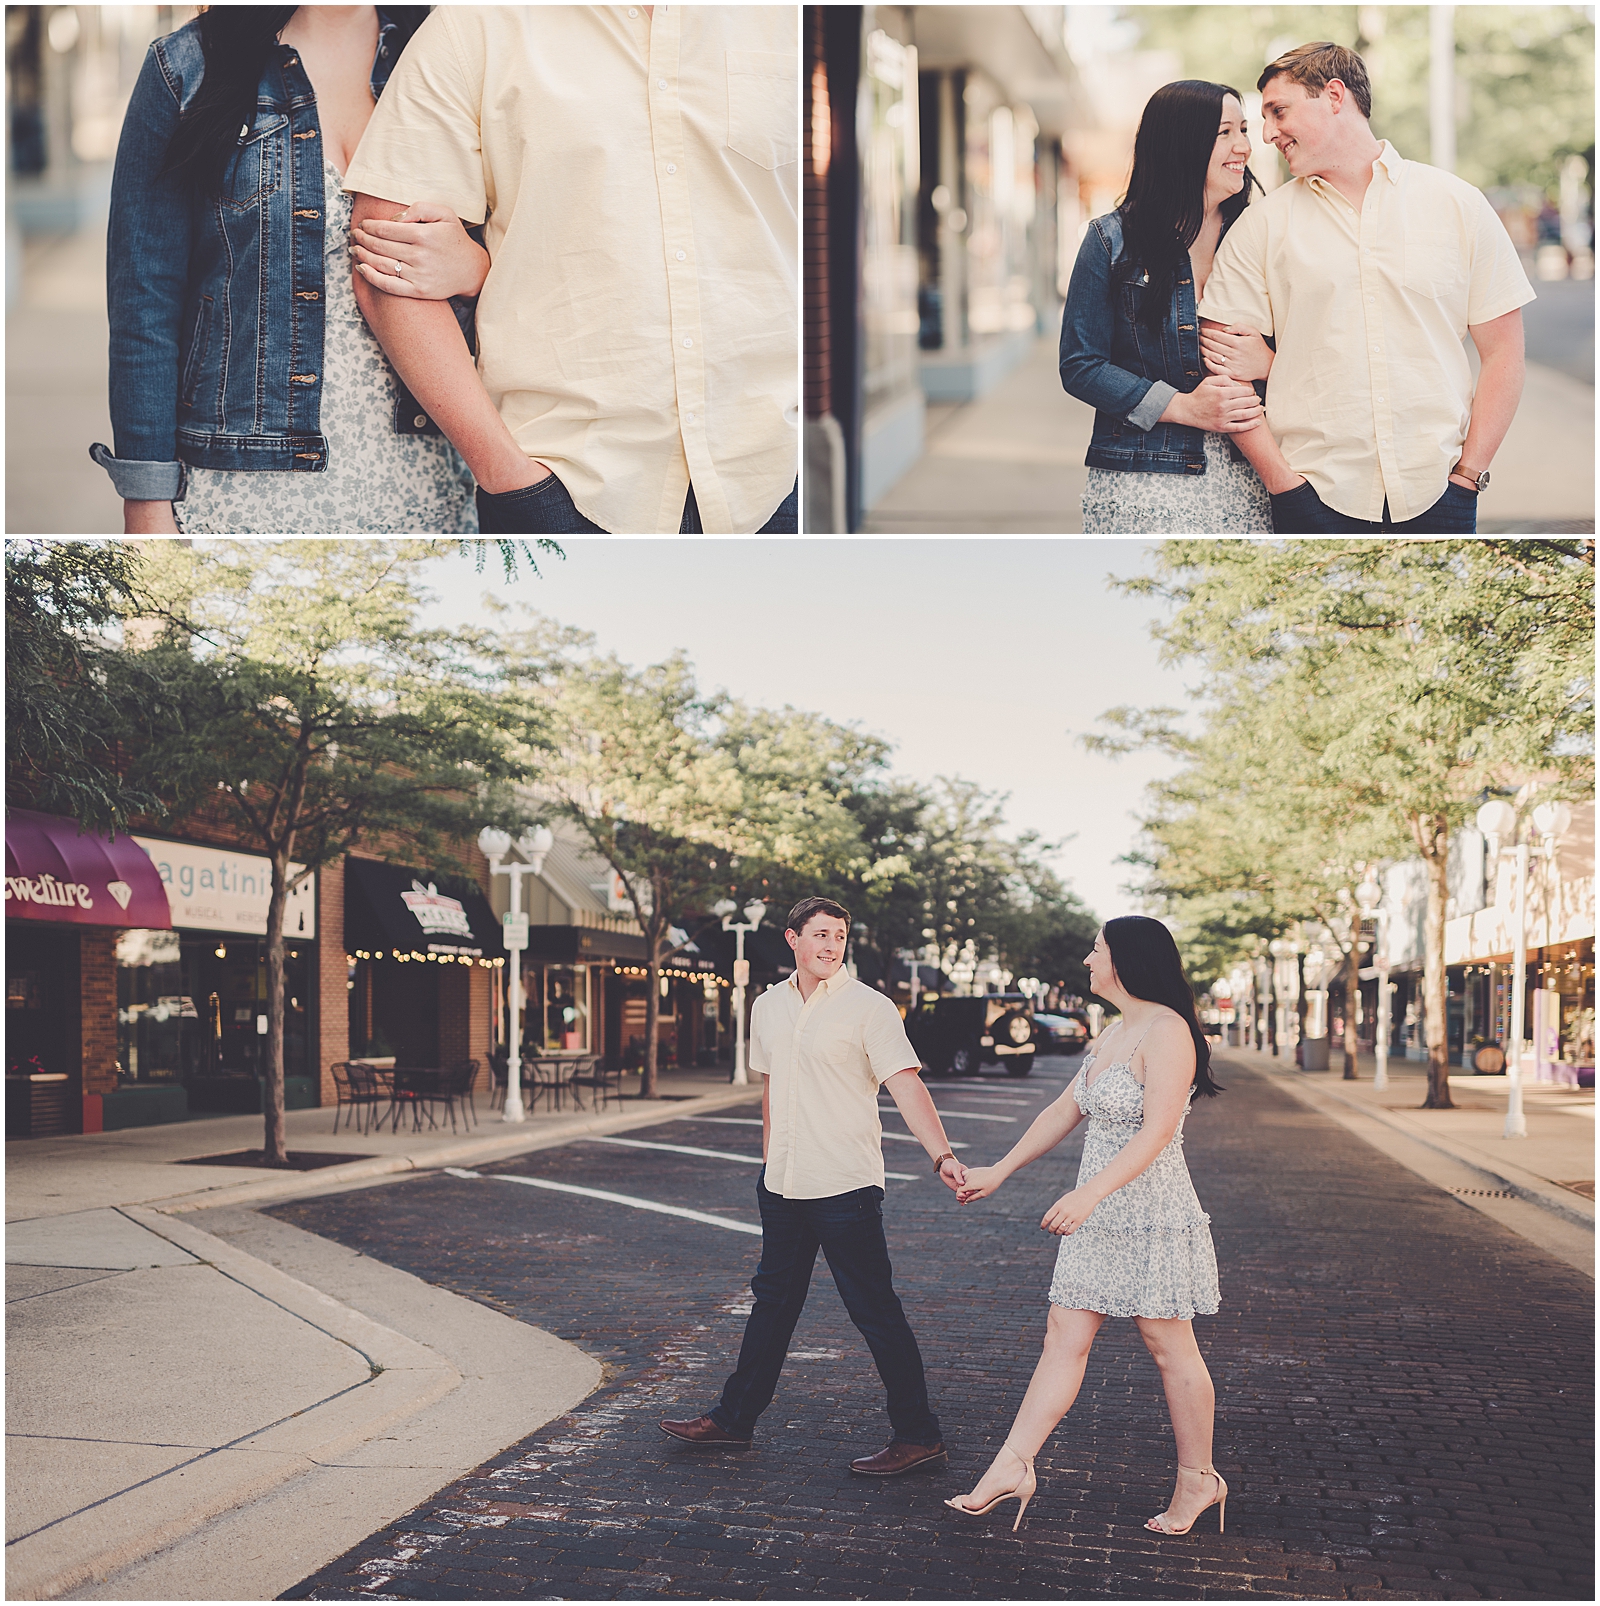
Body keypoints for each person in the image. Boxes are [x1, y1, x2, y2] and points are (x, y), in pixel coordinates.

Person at [341, 5, 799, 536]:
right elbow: (384, 255)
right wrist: (504, 472)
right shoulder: (476, 24)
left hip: (778, 475)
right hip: (565, 487)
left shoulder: (790, 19)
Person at [92, 5, 487, 535]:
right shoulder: (184, 66)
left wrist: (475, 267)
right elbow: (144, 303)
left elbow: (547, 262)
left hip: (426, 484)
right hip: (239, 492)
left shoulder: (455, 52)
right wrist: (145, 501)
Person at [660, 897, 965, 1475]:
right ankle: (732, 1421)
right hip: (783, 1183)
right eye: (821, 934)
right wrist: (770, 1160)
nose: (831, 945)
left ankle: (919, 1434)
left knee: (874, 1310)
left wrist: (941, 1155)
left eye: (840, 936)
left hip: (845, 1184)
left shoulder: (869, 1008)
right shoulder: (768, 1006)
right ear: (792, 939)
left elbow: (905, 1085)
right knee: (772, 1305)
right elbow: (773, 1088)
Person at [949, 917, 1225, 1535]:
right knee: (1063, 1338)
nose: (1086, 959)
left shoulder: (1169, 1031)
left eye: (1096, 949)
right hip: (1097, 1216)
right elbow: (1063, 1110)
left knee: (1168, 1347)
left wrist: (1090, 1192)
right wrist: (1001, 1168)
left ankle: (1199, 1480)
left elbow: (1158, 1133)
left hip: (1149, 1213)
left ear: (1124, 959)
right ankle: (1012, 1466)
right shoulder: (1110, 1034)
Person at [1198, 41, 1536, 533]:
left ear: (1334, 96)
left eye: (1278, 111)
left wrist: (1469, 474)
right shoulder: (1262, 225)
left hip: (1440, 491)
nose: (1267, 134)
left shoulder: (1458, 205)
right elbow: (1224, 368)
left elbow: (1504, 353)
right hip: (1310, 494)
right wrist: (1281, 482)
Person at [1060, 81, 1273, 534]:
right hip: (1143, 476)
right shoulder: (1110, 240)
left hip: (1257, 473)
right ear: (1182, 143)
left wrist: (1271, 363)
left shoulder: (1266, 233)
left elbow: (1325, 349)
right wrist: (1182, 407)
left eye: (1245, 130)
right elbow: (1080, 364)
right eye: (1226, 133)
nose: (1244, 146)